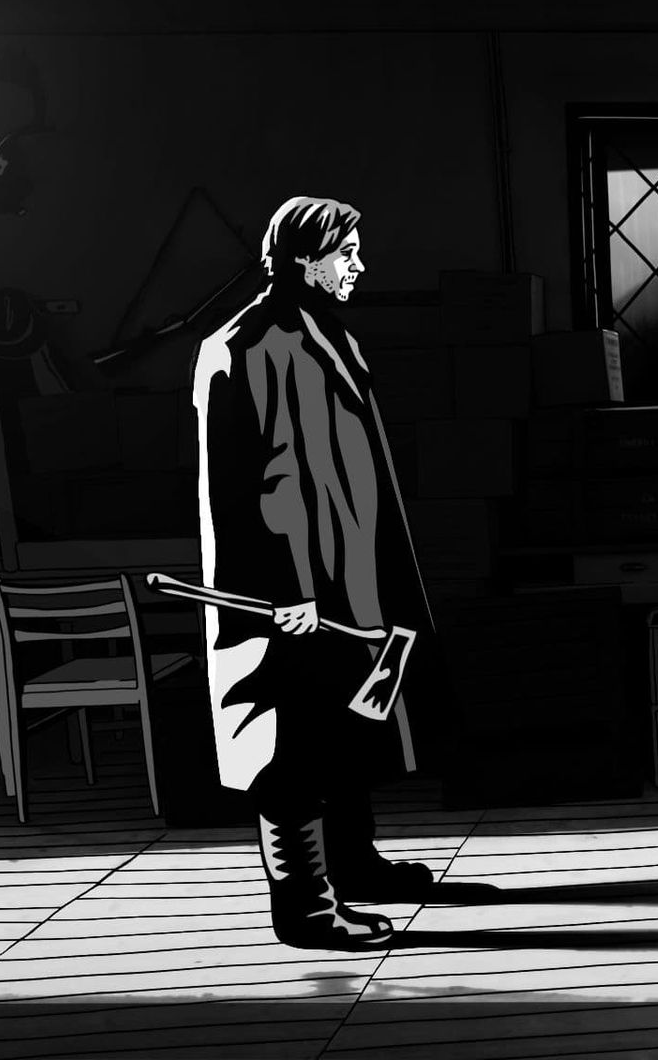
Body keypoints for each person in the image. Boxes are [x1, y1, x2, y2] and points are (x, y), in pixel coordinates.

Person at [190, 196, 441, 950]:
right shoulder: (247, 344)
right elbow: (242, 489)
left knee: (350, 720)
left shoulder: (326, 333)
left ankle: (355, 864)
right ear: (305, 258)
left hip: (350, 570)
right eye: (347, 253)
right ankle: (304, 907)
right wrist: (279, 593)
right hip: (292, 588)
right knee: (289, 741)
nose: (360, 265)